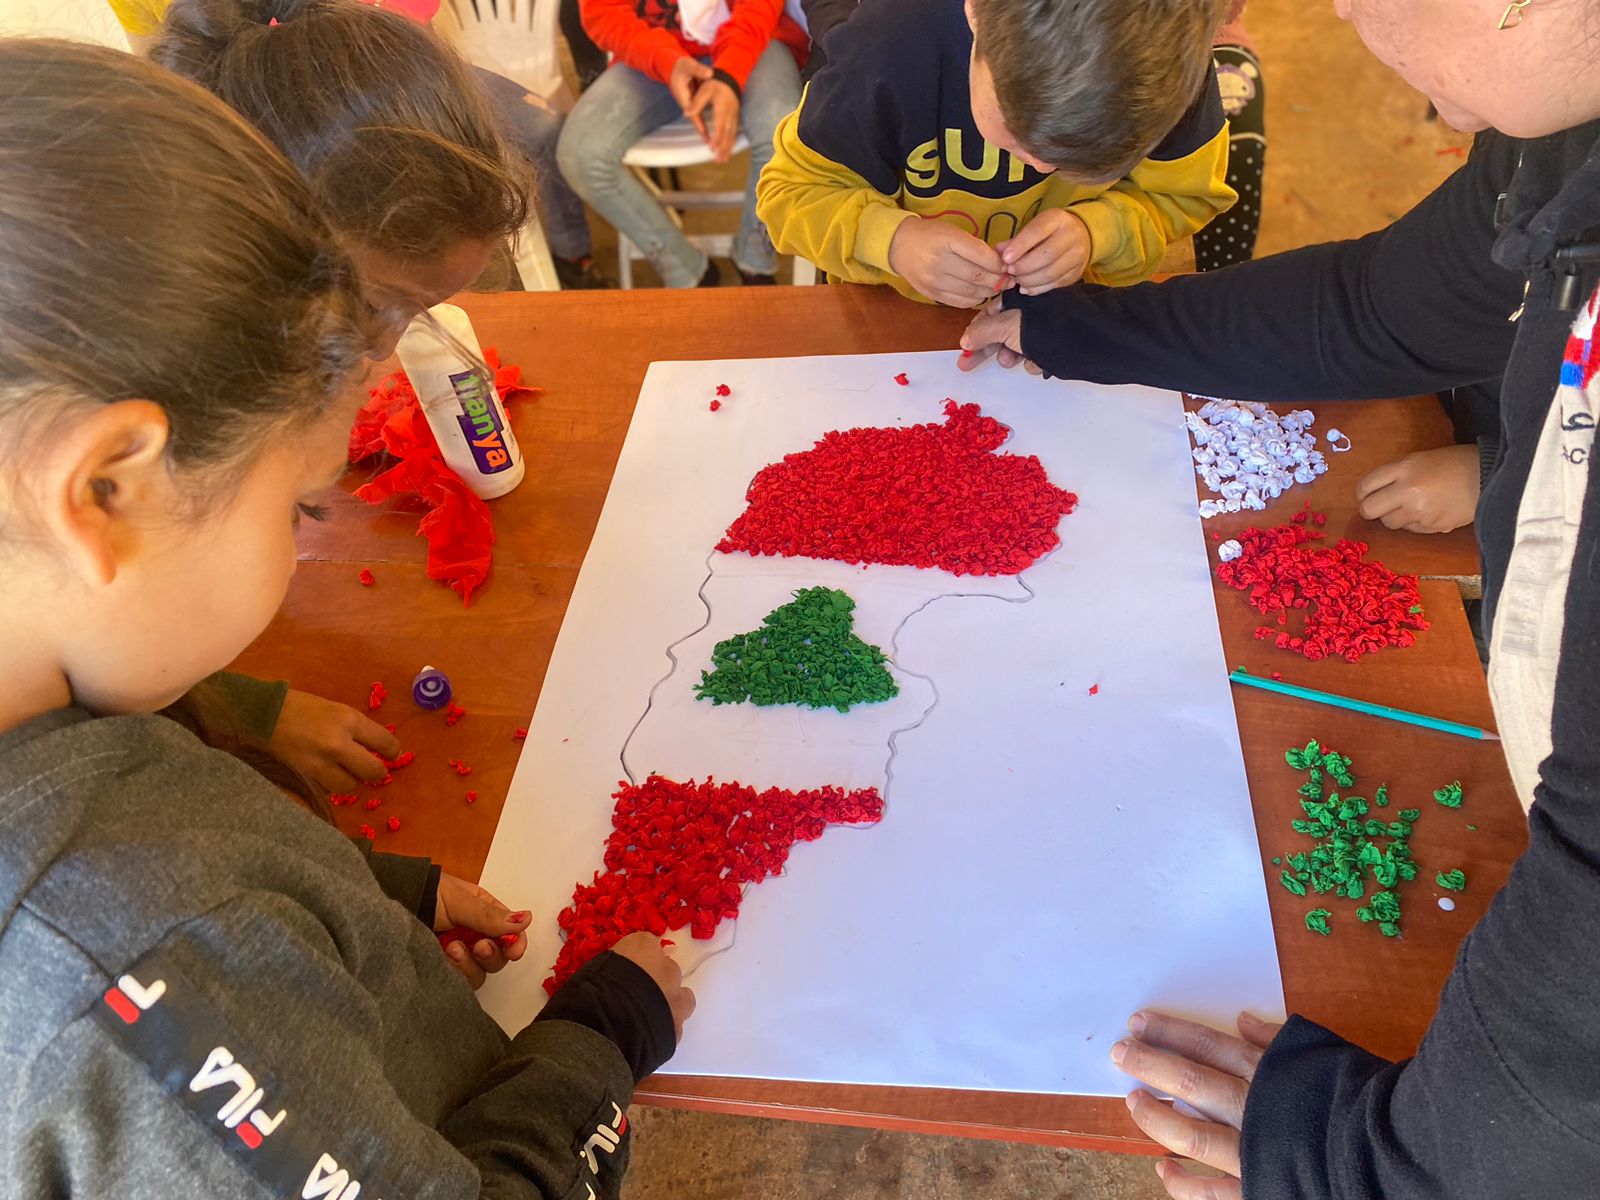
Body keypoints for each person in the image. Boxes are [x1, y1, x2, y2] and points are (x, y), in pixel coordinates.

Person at [0, 38, 693, 1197]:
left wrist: (364, 907)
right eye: (301, 502)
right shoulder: (142, 949)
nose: (302, 535)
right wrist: (599, 1045)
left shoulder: (84, 745)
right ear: (105, 488)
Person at [961, 0, 1600, 1193]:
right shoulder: (1562, 122)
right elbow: (1379, 307)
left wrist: (1371, 1169)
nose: (1347, 17)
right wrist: (1079, 334)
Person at [755, 0, 1236, 308]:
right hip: (892, 318)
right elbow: (789, 196)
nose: (1041, 168)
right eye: (1014, 130)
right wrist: (894, 241)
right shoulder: (885, 48)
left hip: (1070, 315)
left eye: (1085, 163)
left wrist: (1098, 232)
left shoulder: (1174, 74)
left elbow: (1183, 198)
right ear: (976, 14)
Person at [557, 0, 807, 287]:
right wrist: (666, 60)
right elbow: (602, 14)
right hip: (653, 45)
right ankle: (686, 269)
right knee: (579, 155)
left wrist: (729, 73)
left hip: (753, 38)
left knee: (783, 132)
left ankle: (756, 261)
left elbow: (759, 7)